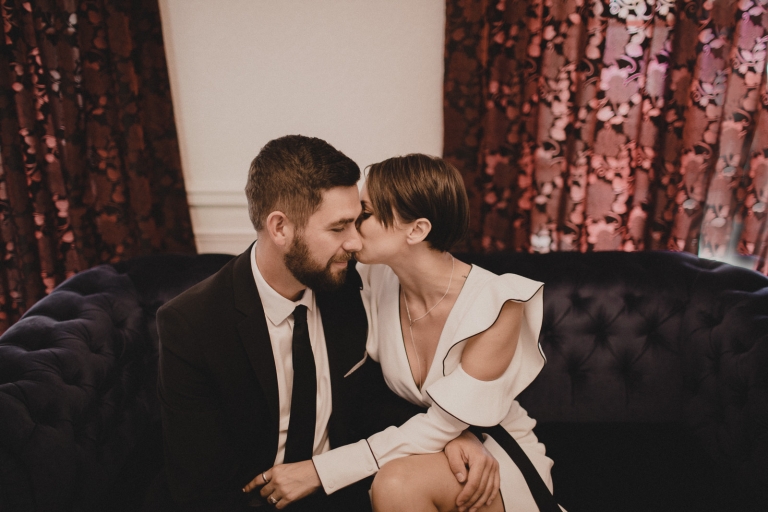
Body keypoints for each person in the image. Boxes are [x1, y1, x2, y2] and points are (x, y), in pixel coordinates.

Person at [153, 136, 498, 512]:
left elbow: (374, 396)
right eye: (338, 228)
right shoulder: (192, 325)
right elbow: (199, 486)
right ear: (280, 228)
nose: (355, 243)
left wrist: (452, 435)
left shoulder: (346, 287)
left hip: (345, 491)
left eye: (357, 221)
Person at [248, 154, 561, 512]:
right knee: (396, 480)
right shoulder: (371, 279)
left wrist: (319, 471)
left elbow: (446, 421)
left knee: (396, 484)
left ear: (416, 230)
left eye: (364, 214)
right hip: (433, 442)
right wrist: (451, 435)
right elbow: (359, 386)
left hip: (495, 452)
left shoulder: (498, 304)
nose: (350, 229)